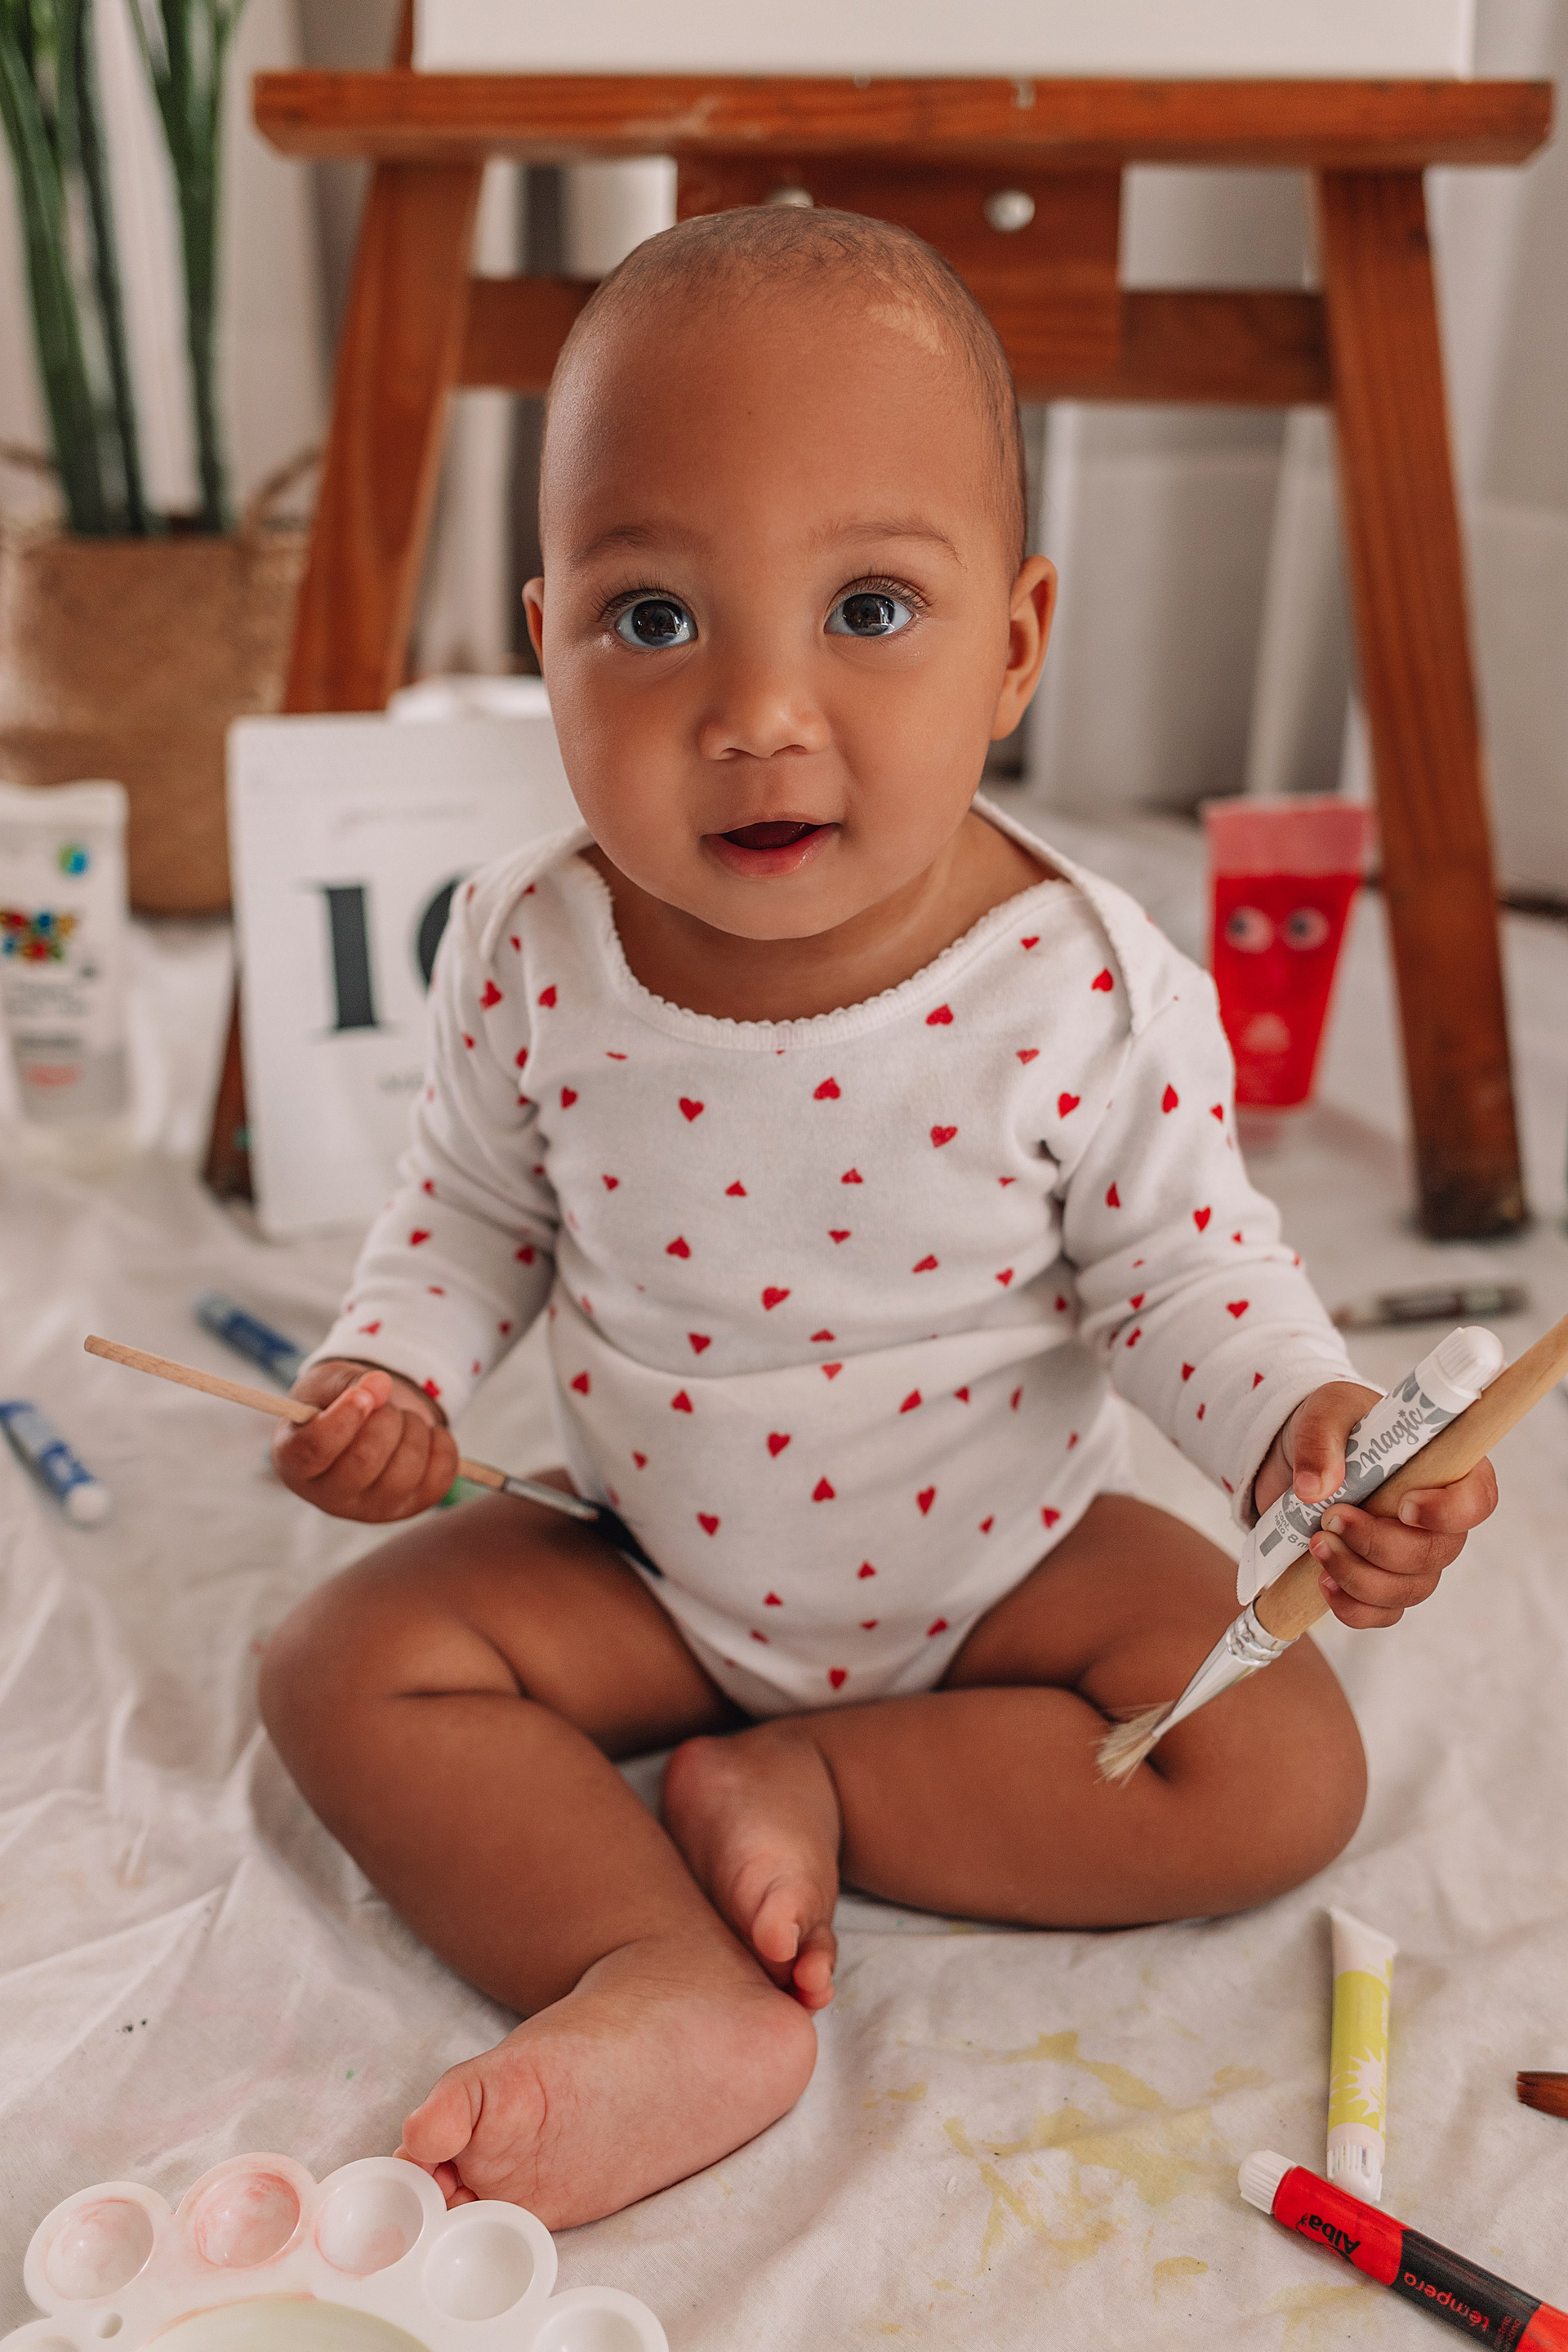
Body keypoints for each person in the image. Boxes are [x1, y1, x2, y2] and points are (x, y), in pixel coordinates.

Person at [258, 207, 1496, 2230]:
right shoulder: (533, 945)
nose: (759, 708)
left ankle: (824, 1784)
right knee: (340, 1663)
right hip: (650, 1565)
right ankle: (651, 1966)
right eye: (654, 618)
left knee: (1284, 1771)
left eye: (868, 607)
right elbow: (471, 1210)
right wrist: (387, 1371)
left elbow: (1187, 1270)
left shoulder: (1083, 984)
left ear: (1014, 640)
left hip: (1006, 1572)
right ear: (544, 634)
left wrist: (1308, 1428)